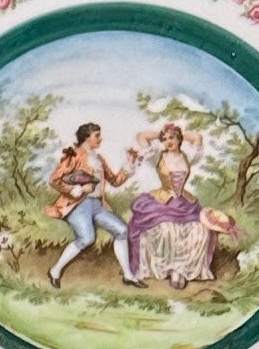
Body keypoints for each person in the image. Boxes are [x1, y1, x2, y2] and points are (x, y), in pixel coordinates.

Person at [124, 123, 222, 288]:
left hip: (185, 204)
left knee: (200, 230)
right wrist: (162, 132)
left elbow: (197, 137)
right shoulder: (157, 156)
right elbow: (141, 136)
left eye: (172, 138)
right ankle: (169, 269)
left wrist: (178, 131)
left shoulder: (188, 156)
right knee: (165, 230)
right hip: (162, 202)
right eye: (164, 139)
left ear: (179, 139)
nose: (168, 142)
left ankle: (181, 270)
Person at [44, 123, 129, 279]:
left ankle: (128, 275)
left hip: (98, 205)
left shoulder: (99, 159)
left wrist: (128, 166)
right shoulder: (74, 155)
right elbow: (54, 180)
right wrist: (76, 189)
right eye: (97, 135)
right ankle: (55, 271)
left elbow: (115, 181)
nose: (100, 138)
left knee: (122, 230)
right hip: (77, 205)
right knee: (87, 238)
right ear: (86, 137)